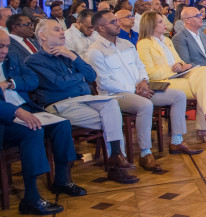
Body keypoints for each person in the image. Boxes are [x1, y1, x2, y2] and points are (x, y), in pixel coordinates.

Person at [25, 19, 138, 184]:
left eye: (62, 29)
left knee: (112, 104)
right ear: (42, 35)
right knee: (112, 119)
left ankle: (116, 156)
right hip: (60, 104)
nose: (62, 32)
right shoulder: (34, 60)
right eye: (56, 30)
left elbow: (91, 75)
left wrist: (72, 56)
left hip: (84, 99)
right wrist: (80, 77)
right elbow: (59, 83)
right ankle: (116, 165)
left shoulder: (68, 54)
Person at [87, 10, 200, 172]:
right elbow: (104, 83)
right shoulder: (95, 51)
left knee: (178, 96)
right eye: (113, 22)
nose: (117, 24)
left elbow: (140, 67)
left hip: (140, 89)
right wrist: (134, 89)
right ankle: (145, 153)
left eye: (116, 21)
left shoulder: (126, 44)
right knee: (145, 105)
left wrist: (143, 81)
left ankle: (176, 141)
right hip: (116, 95)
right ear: (101, 28)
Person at [0, 29, 85, 217]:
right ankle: (31, 197)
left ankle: (62, 180)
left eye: (6, 46)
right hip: (5, 118)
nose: (4, 50)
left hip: (25, 107)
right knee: (33, 130)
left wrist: (10, 83)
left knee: (62, 124)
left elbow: (32, 80)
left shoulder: (12, 58)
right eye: (0, 46)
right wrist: (15, 111)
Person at [136, 11, 206, 141]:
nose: (165, 24)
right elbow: (150, 73)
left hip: (178, 75)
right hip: (163, 81)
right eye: (160, 22)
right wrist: (174, 70)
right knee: (202, 85)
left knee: (203, 71)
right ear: (150, 25)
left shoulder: (166, 40)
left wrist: (180, 65)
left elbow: (178, 60)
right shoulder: (144, 44)